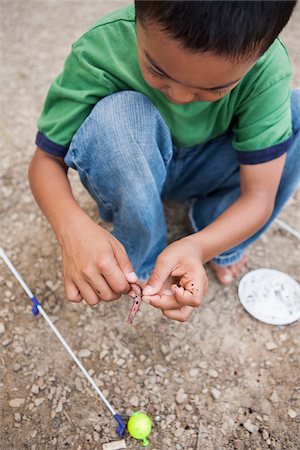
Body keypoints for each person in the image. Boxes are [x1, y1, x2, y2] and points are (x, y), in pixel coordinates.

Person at [29, 1, 300, 322]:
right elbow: (45, 160)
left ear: (262, 51)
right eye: (158, 70)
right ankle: (139, 254)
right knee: (117, 116)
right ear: (140, 16)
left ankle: (216, 227)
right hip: (133, 162)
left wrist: (200, 247)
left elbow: (259, 197)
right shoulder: (103, 47)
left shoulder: (266, 69)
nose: (181, 97)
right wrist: (71, 228)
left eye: (215, 88)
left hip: (207, 165)